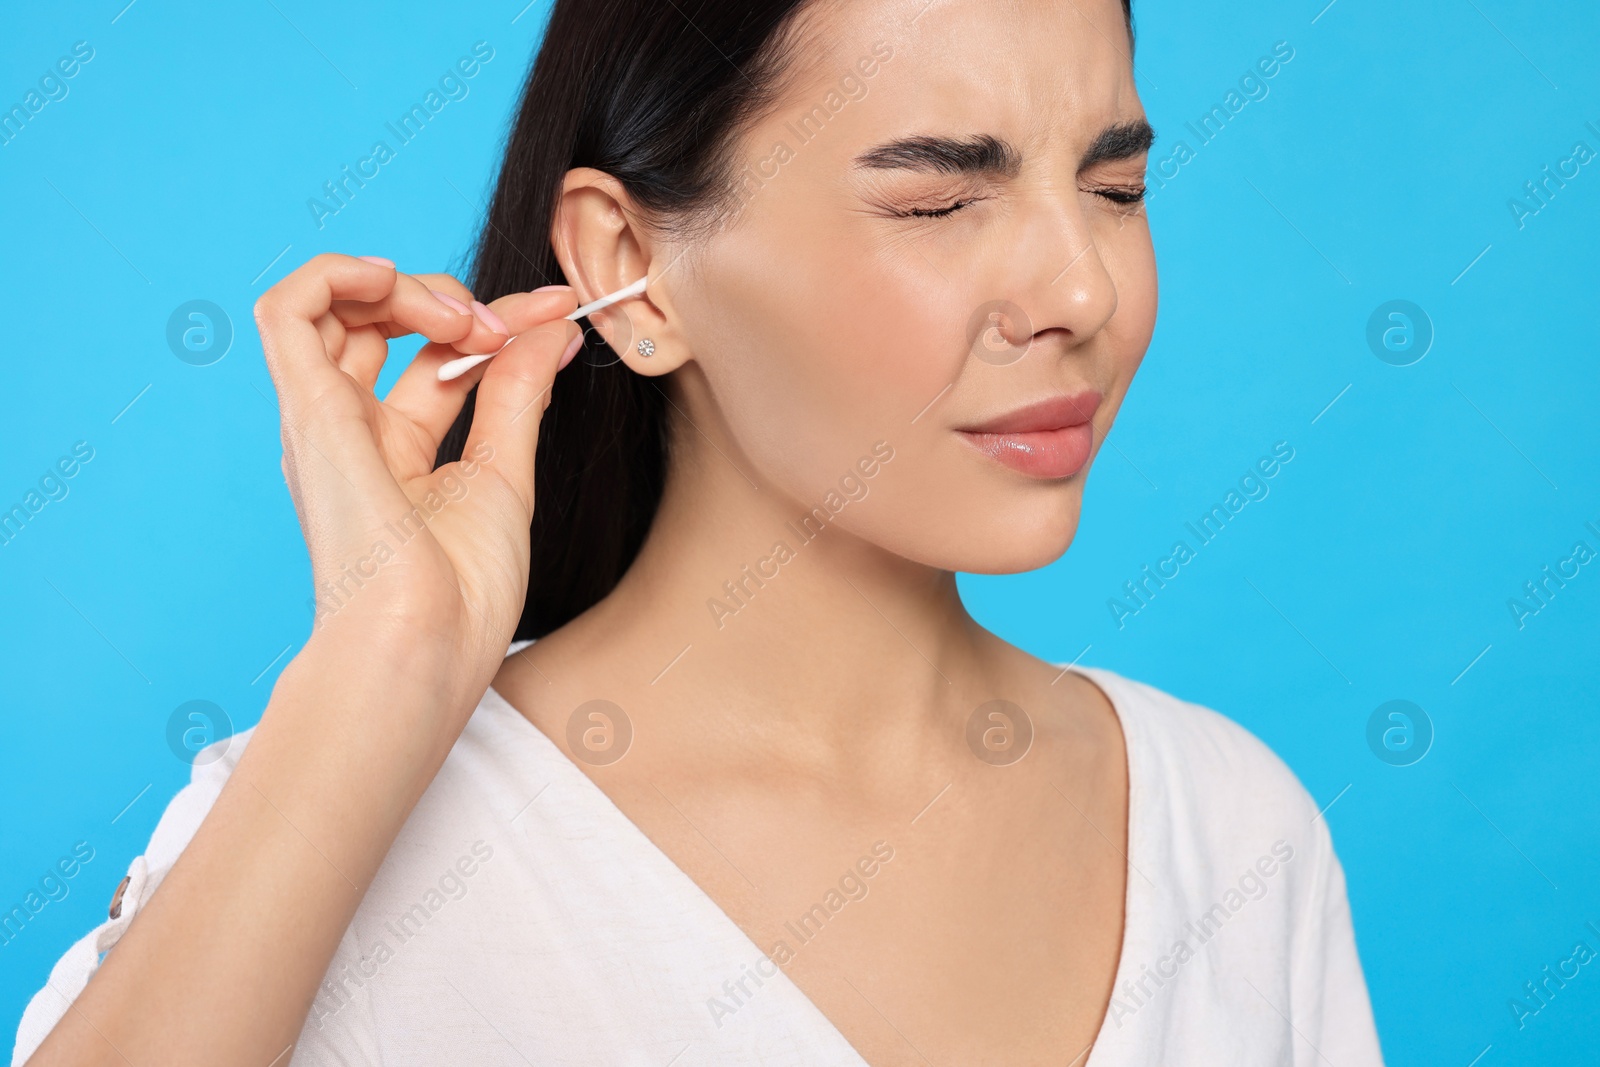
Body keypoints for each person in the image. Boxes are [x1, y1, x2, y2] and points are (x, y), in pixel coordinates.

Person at [15, 0, 1383, 1063]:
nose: (1082, 287)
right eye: (938, 200)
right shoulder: (329, 822)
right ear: (631, 273)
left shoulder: (1232, 827)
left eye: (1116, 189)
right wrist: (381, 669)